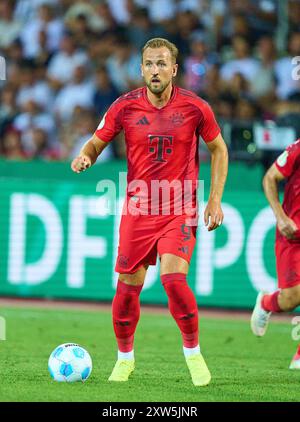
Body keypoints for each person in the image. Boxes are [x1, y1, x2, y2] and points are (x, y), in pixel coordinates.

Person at [71, 38, 228, 386]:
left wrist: (214, 200)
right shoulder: (124, 106)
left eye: (161, 64)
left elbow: (219, 149)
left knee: (174, 281)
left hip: (179, 207)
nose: (154, 70)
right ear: (141, 68)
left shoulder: (195, 107)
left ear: (174, 69)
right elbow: (96, 141)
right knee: (127, 288)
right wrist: (86, 157)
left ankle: (193, 353)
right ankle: (124, 359)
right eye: (148, 64)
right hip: (139, 209)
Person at [251, 139, 300, 369]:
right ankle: (267, 302)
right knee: (291, 298)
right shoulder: (297, 149)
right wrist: (281, 217)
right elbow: (270, 178)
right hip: (292, 235)